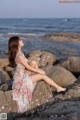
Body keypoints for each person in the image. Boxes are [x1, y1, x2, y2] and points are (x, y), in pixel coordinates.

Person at [8, 36, 66, 113]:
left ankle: (50, 83)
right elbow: (28, 67)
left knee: (33, 62)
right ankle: (58, 87)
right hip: (21, 81)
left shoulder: (20, 53)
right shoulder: (19, 56)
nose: (22, 41)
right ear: (17, 43)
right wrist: (39, 71)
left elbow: (28, 63)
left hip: (24, 74)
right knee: (42, 75)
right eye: (20, 40)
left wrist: (37, 68)